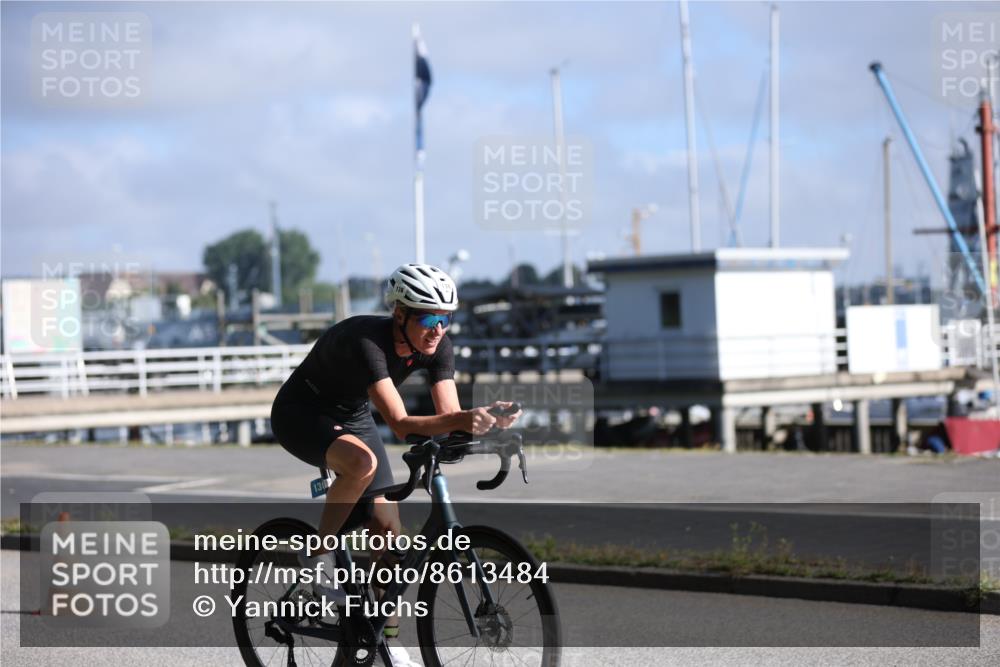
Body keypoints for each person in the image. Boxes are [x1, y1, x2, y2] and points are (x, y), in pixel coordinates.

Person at [270, 263, 519, 666]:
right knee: (362, 463)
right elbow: (402, 425)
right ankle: (317, 558)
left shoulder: (439, 347)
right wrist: (463, 419)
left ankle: (384, 638)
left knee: (387, 529)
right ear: (400, 314)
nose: (439, 328)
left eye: (447, 318)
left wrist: (491, 426)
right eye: (429, 318)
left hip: (352, 414)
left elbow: (450, 417)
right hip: (301, 412)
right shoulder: (367, 341)